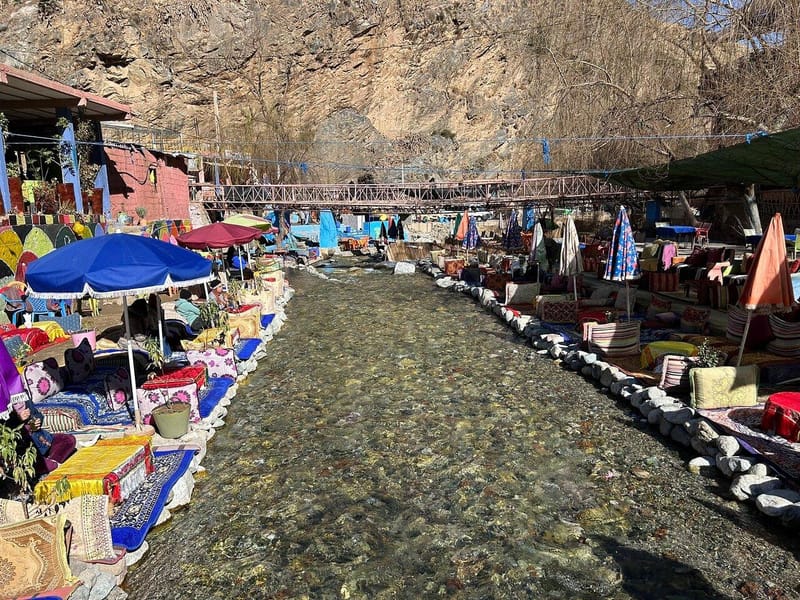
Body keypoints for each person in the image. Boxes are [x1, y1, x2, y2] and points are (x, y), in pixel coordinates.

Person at [9, 401, 76, 475]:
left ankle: (53, 461)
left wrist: (37, 420)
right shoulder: (4, 405)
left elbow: (37, 414)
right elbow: (8, 430)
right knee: (34, 463)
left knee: (68, 440)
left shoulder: (25, 398)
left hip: (43, 439)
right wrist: (19, 420)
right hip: (26, 449)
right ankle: (50, 464)